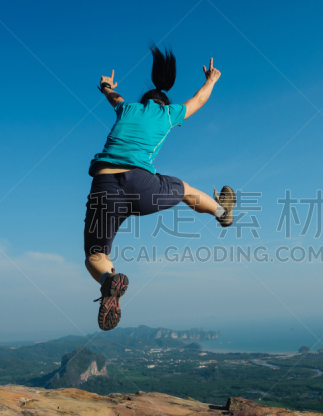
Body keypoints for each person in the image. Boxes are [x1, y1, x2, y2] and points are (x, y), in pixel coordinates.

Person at [85, 44, 235, 331]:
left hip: (104, 185)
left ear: (142, 102)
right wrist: (211, 79)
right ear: (164, 104)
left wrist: (105, 86)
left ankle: (108, 282)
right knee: (187, 191)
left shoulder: (128, 108)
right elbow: (198, 101)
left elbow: (115, 98)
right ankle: (222, 213)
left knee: (95, 255)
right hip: (142, 185)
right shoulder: (168, 114)